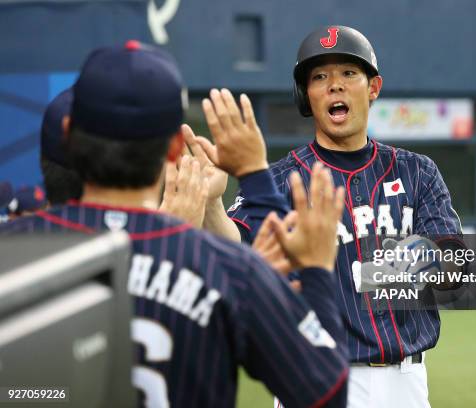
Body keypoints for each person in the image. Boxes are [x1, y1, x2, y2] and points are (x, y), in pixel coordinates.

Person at [1, 40, 350, 407]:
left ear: (69, 135)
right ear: (173, 148)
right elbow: (324, 391)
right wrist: (315, 271)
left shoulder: (10, 254)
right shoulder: (226, 268)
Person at [204, 26, 464, 407]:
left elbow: (452, 268)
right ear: (305, 96)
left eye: (348, 73)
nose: (334, 86)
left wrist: (363, 271)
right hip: (313, 374)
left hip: (404, 381)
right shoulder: (280, 179)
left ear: (373, 87)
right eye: (320, 77)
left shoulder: (416, 171)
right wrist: (211, 201)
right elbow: (235, 252)